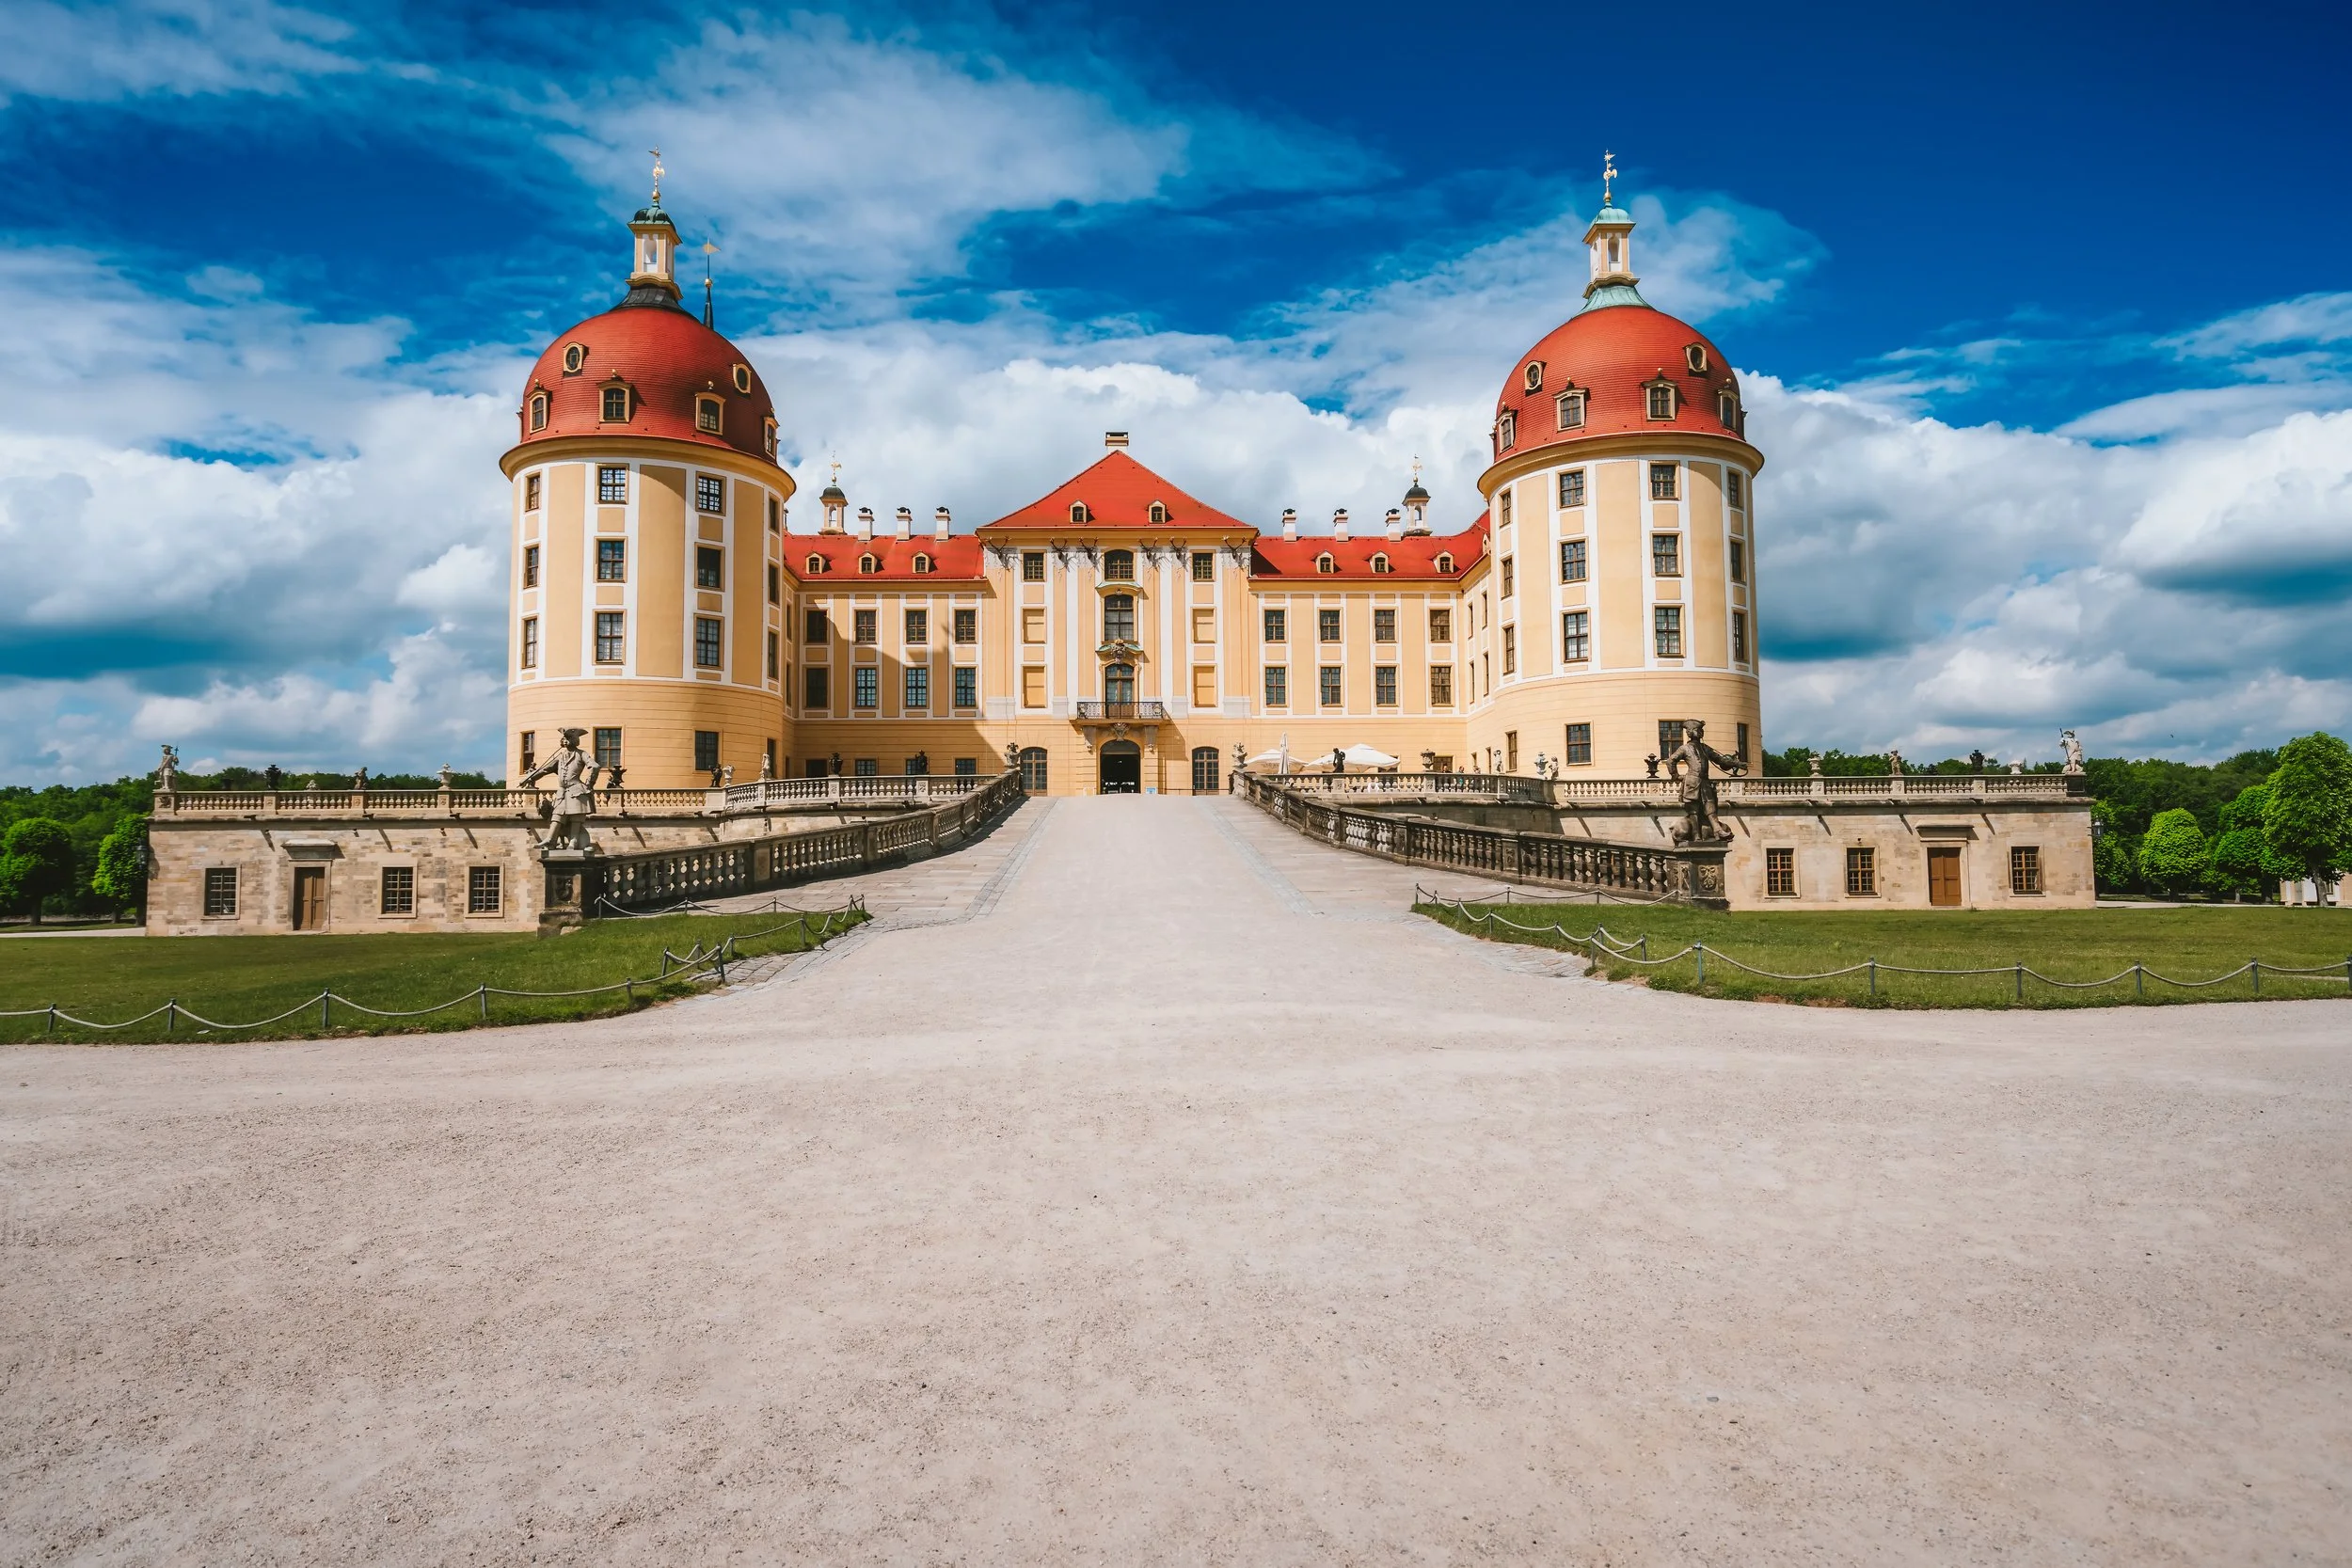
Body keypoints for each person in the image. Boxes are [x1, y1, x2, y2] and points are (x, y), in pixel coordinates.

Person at [518, 727, 602, 851]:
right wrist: (529, 778)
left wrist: (590, 783)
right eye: (564, 738)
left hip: (576, 790)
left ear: (575, 740)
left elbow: (595, 766)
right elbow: (544, 770)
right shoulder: (560, 756)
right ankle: (550, 839)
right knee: (557, 815)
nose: (565, 740)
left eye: (568, 738)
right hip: (563, 791)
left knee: (575, 818)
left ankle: (573, 843)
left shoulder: (581, 754)